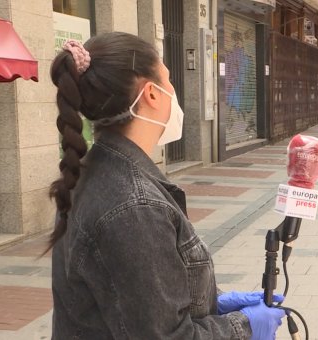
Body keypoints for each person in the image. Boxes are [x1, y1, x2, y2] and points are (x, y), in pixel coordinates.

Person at [48, 32, 285, 339]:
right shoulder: (133, 206)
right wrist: (244, 327)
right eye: (168, 80)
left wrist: (212, 304)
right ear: (152, 94)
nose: (174, 91)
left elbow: (135, 301)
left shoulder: (94, 172)